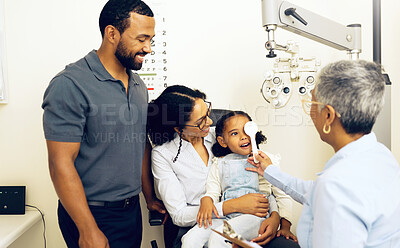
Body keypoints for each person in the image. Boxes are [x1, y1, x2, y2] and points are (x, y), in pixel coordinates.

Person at [42, 1, 165, 247]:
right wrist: (87, 229)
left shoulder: (139, 86)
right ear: (112, 33)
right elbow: (60, 164)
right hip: (91, 215)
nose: (148, 48)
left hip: (130, 214)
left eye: (151, 39)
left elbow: (138, 143)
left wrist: (149, 197)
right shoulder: (70, 84)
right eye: (141, 39)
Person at [246, 60, 400, 247]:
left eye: (312, 101)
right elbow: (315, 191)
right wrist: (269, 171)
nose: (310, 111)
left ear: (328, 115)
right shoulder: (380, 155)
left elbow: (330, 191)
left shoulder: (336, 185)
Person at [181, 111, 299, 248]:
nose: (243, 137)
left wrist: (285, 227)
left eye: (246, 131)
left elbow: (281, 195)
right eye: (235, 133)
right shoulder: (219, 163)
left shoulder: (266, 160)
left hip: (256, 218)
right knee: (190, 239)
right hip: (226, 216)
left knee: (218, 237)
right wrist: (207, 199)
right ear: (222, 141)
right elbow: (212, 192)